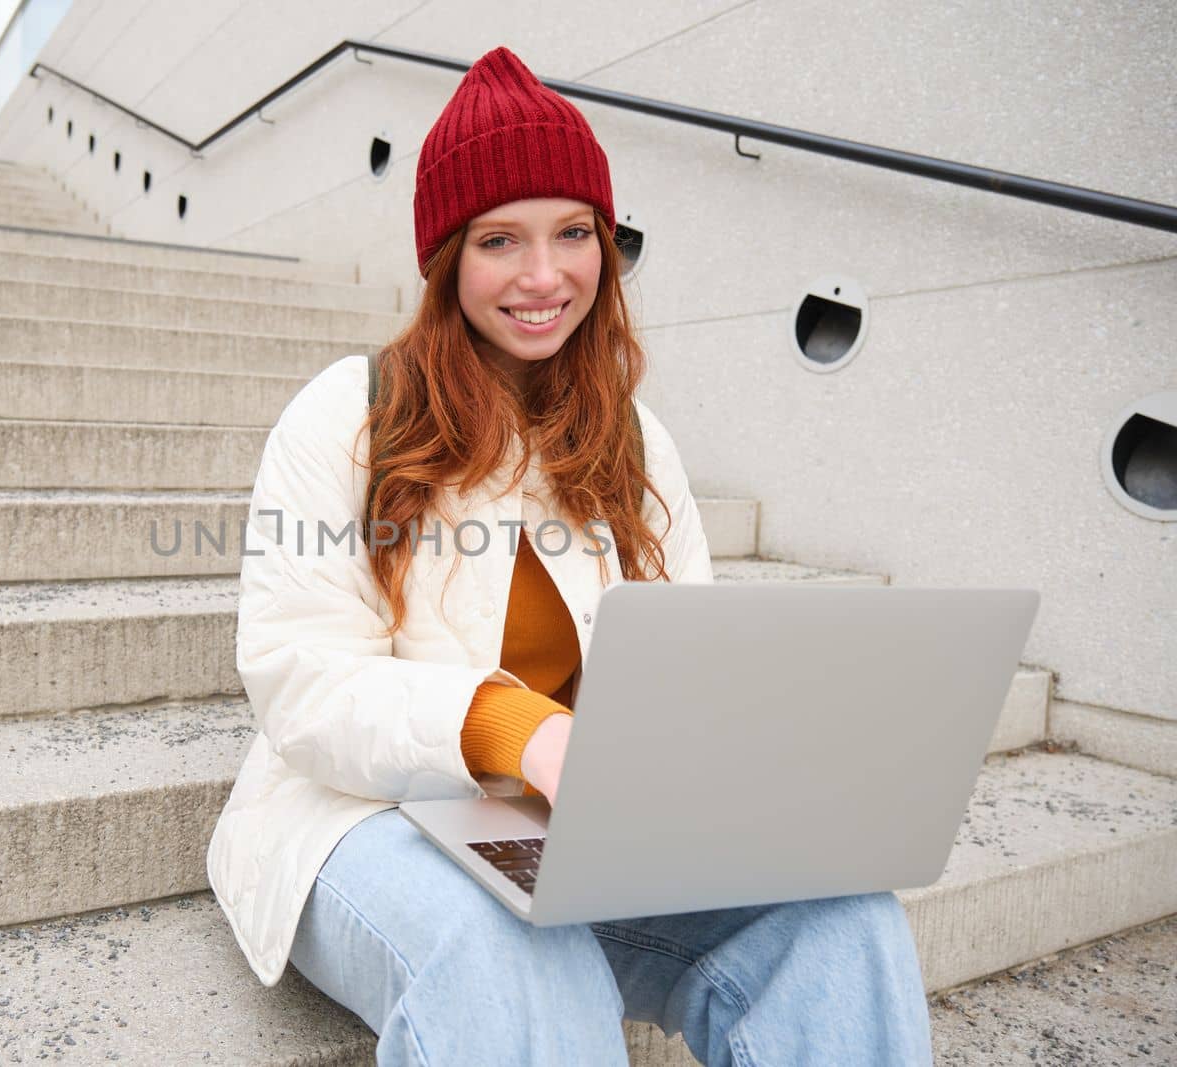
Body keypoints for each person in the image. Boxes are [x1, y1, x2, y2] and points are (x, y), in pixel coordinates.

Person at [206, 45, 934, 1066]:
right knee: (510, 944)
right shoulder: (348, 414)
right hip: (362, 817)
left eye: (573, 234)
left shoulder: (633, 439)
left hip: (582, 833)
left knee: (840, 915)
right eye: (501, 239)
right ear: (446, 257)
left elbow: (693, 663)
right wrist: (514, 726)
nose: (544, 276)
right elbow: (301, 681)